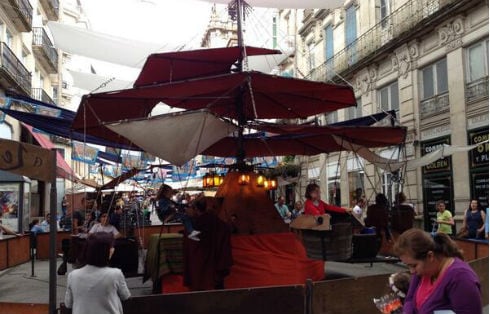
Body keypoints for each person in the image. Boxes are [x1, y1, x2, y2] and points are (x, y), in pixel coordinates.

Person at [394, 229, 481, 314]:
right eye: (408, 265)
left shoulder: (461, 278)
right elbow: (410, 298)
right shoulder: (423, 270)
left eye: (414, 265)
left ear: (430, 256)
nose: (412, 271)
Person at [65, 232, 131, 314]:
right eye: (111, 247)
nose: (113, 249)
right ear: (106, 251)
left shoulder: (73, 275)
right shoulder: (115, 274)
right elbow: (125, 296)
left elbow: (68, 304)